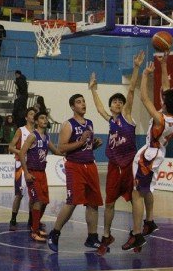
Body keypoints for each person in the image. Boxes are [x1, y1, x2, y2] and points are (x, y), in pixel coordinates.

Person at [123, 51, 173, 251]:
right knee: (147, 189)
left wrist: (146, 74)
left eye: (164, 99)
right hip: (158, 153)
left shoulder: (160, 119)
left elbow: (144, 97)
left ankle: (137, 234)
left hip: (149, 155)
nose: (162, 98)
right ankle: (150, 220)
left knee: (136, 194)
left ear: (165, 104)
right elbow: (166, 87)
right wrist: (164, 66)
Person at [90, 51, 144, 254]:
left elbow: (130, 92)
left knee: (134, 202)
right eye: (115, 102)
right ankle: (106, 235)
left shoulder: (127, 116)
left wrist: (136, 67)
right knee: (110, 203)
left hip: (129, 166)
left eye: (120, 102)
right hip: (114, 166)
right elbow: (99, 108)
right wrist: (93, 89)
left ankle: (136, 233)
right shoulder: (111, 120)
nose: (118, 103)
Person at [46, 93, 104, 253]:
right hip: (75, 166)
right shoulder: (68, 124)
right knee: (72, 202)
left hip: (90, 165)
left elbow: (85, 146)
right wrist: (81, 141)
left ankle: (92, 237)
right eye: (79, 102)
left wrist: (94, 145)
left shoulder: (90, 123)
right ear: (73, 107)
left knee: (93, 202)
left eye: (84, 101)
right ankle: (55, 233)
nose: (83, 104)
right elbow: (62, 148)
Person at [19, 111, 61, 242]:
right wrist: (26, 173)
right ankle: (35, 231)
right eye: (42, 118)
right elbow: (21, 153)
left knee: (45, 202)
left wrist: (76, 149)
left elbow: (57, 151)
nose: (45, 120)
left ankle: (35, 226)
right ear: (36, 121)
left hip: (42, 173)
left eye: (46, 118)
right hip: (33, 172)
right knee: (37, 201)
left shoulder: (47, 137)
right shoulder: (33, 136)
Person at [7, 107, 36, 231]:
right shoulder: (21, 130)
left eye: (35, 114)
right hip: (20, 164)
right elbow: (11, 147)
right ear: (26, 117)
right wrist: (22, 152)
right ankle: (13, 219)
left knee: (33, 195)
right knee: (19, 194)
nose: (33, 116)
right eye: (31, 114)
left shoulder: (38, 132)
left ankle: (32, 220)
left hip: (33, 165)